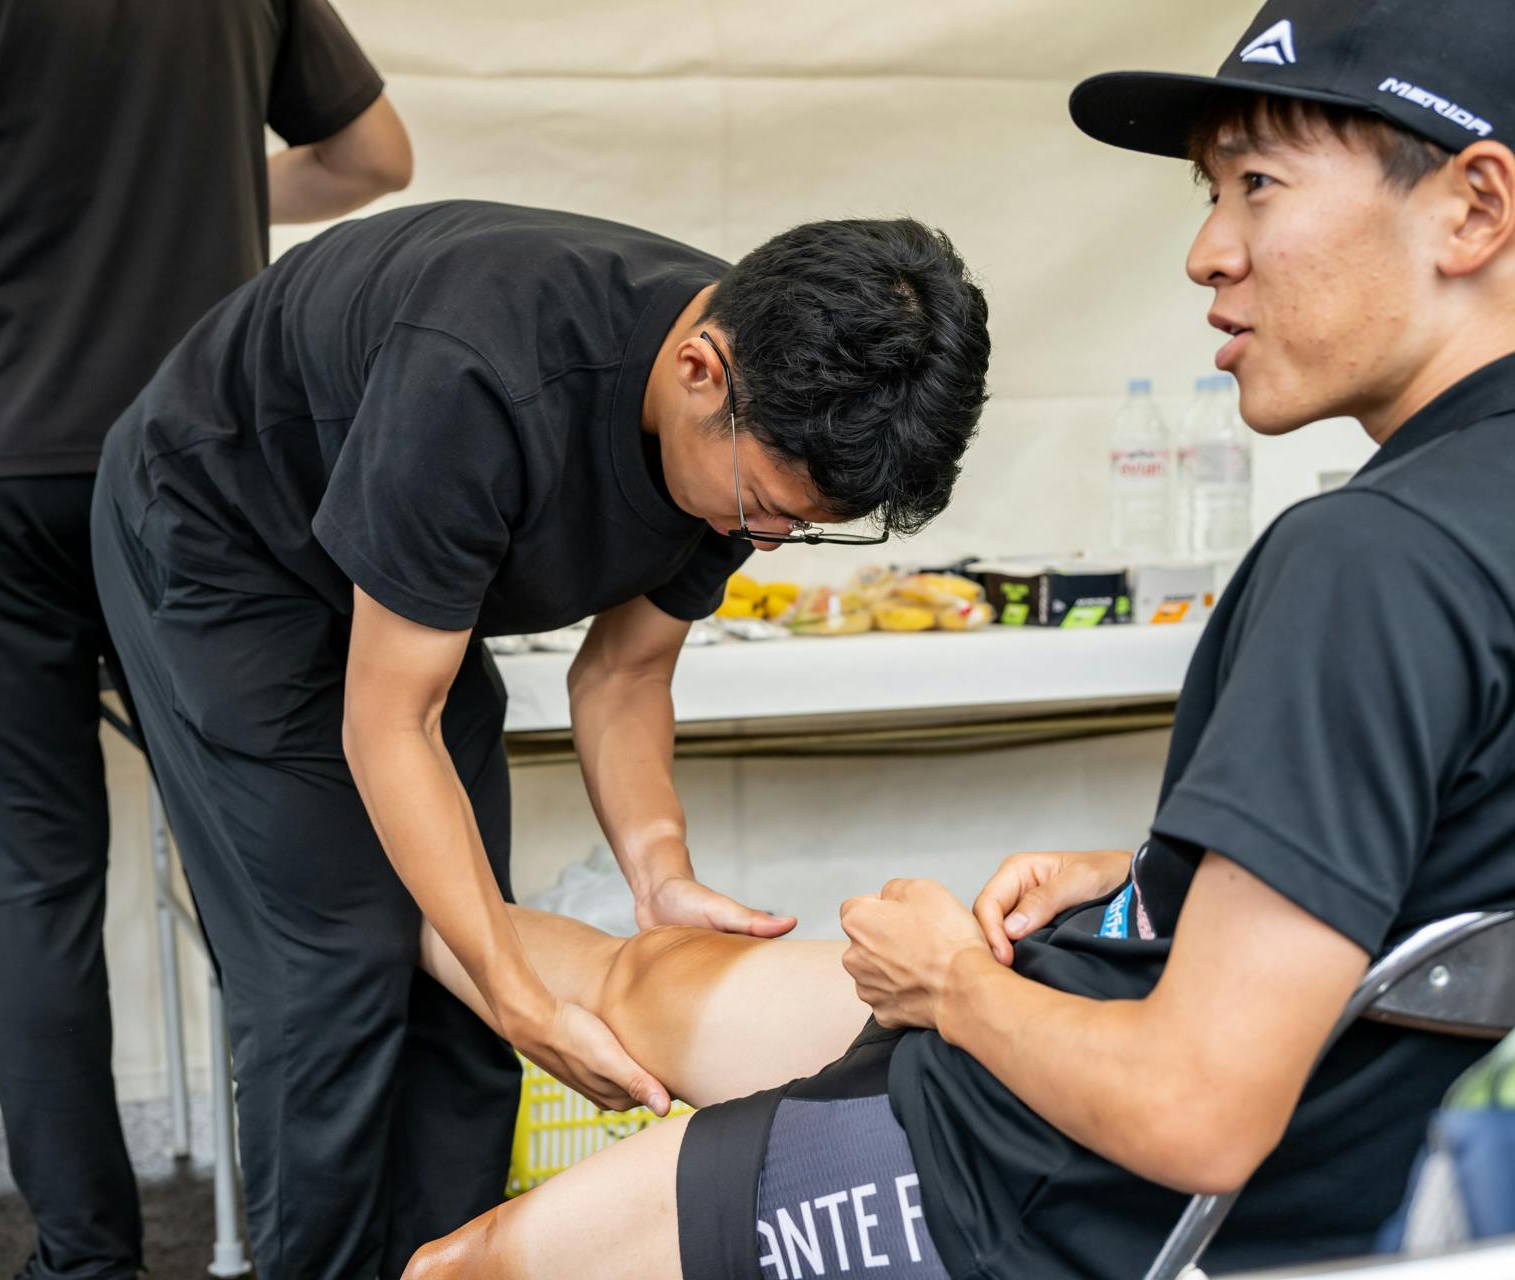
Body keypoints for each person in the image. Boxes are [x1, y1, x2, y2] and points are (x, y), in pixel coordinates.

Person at [397, 1, 1515, 1276]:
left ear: (1472, 209)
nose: (1208, 253)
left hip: (1030, 1166)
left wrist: (949, 982)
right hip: (1104, 1025)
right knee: (631, 973)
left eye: (1258, 185)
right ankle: (371, 912)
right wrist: (1175, 865)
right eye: (1213, 193)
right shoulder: (1460, 520)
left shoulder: (1369, 559)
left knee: (457, 1264)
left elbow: (1196, 1112)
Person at [90, 198, 991, 1279]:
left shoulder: (767, 408)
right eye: (762, 507)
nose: (764, 538)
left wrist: (658, 871)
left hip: (396, 581)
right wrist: (519, 993)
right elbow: (392, 719)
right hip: (223, 537)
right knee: (331, 971)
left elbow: (623, 672)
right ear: (700, 371)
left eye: (796, 526)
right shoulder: (481, 372)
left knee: (468, 977)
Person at [0, 2, 410, 1276]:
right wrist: (208, 192)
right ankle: (325, 1250)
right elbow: (372, 158)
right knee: (278, 888)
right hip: (202, 479)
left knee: (27, 898)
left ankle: (85, 1261)